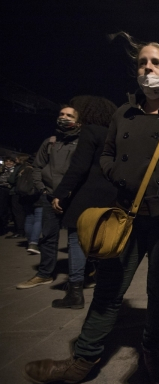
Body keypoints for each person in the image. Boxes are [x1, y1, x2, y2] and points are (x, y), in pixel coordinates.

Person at [23, 36, 159, 384]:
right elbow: (105, 154)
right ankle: (83, 360)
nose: (148, 68)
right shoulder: (124, 112)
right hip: (126, 216)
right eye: (143, 63)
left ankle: (153, 351)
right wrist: (119, 175)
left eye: (156, 63)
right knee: (108, 288)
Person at [49, 95, 118, 309]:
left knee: (76, 241)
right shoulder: (114, 134)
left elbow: (79, 167)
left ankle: (75, 293)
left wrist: (60, 192)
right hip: (110, 194)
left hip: (86, 195)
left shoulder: (90, 131)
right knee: (104, 242)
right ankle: (107, 291)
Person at [16, 107, 81, 289]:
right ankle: (45, 274)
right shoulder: (50, 142)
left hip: (73, 197)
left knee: (77, 238)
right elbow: (38, 167)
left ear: (79, 121)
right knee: (48, 236)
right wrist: (43, 190)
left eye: (69, 115)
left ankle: (81, 275)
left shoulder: (83, 142)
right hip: (49, 195)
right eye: (61, 114)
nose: (63, 117)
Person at [6, 155, 29, 239]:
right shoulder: (29, 166)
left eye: (16, 158)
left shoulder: (18, 167)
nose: (15, 160)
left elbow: (11, 180)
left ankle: (19, 231)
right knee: (24, 212)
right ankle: (25, 230)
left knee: (17, 212)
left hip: (16, 191)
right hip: (25, 192)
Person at [0, 156, 16, 235]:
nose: (8, 163)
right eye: (7, 161)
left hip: (11, 190)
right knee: (2, 209)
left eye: (10, 161)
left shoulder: (15, 171)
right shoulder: (2, 170)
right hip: (2, 190)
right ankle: (3, 226)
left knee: (12, 208)